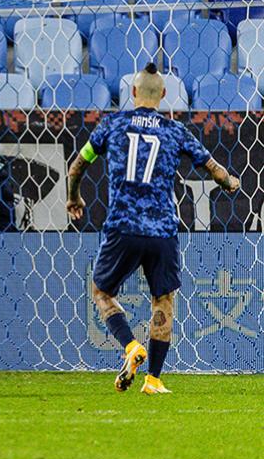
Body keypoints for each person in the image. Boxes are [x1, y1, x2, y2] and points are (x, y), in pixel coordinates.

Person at [66, 63, 239, 395]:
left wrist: (73, 198)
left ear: (132, 94)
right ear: (162, 95)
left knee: (102, 293)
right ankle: (154, 380)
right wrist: (230, 181)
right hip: (162, 229)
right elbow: (214, 169)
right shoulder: (175, 131)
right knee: (163, 299)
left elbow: (77, 165)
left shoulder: (111, 125)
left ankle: (131, 346)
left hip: (122, 227)